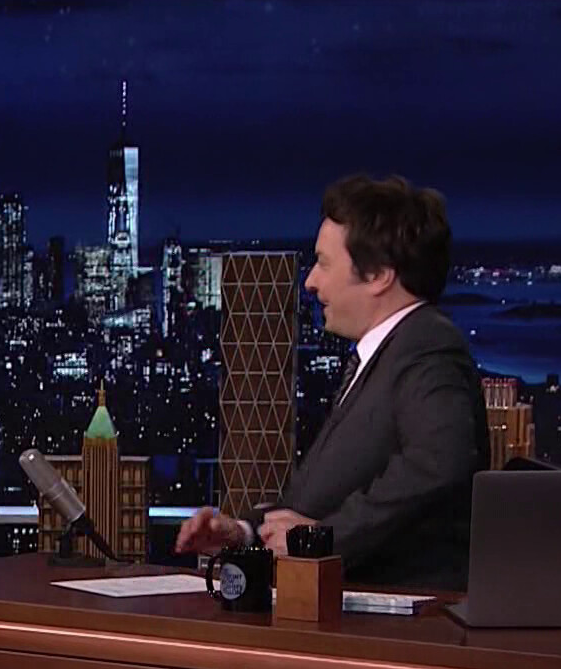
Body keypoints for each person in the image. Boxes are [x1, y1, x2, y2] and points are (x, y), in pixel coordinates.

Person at [176, 174, 487, 590]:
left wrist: (322, 541)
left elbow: (439, 464)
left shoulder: (427, 346)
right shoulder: (385, 354)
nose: (310, 281)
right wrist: (243, 533)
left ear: (378, 274)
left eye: (323, 263)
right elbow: (321, 499)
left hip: (400, 613)